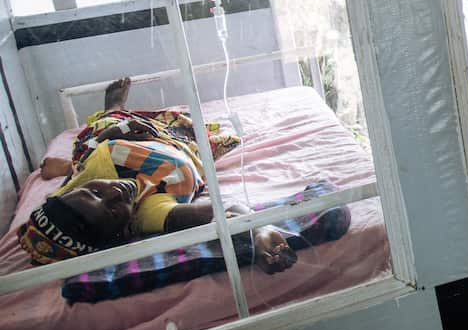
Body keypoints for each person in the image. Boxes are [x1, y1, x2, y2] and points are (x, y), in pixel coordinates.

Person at [18, 77, 296, 274]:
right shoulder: (150, 214)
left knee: (96, 139)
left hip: (113, 142)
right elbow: (222, 211)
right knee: (214, 140)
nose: (116, 192)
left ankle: (109, 114)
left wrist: (113, 134)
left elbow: (67, 200)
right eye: (114, 212)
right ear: (121, 232)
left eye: (96, 192)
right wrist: (260, 230)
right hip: (170, 146)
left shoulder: (72, 194)